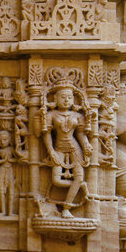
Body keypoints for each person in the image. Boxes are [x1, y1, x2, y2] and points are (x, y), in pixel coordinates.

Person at [42, 84, 92, 215]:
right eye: (63, 97)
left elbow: (81, 134)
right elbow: (46, 134)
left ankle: (66, 208)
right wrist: (50, 150)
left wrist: (86, 144)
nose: (66, 100)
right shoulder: (51, 114)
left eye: (69, 97)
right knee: (56, 180)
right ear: (56, 98)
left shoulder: (77, 115)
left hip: (75, 148)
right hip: (58, 147)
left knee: (79, 176)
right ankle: (81, 186)